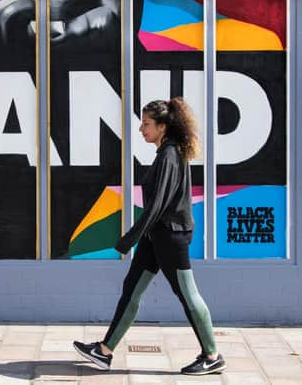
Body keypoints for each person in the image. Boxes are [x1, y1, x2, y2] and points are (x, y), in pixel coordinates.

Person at [73, 97, 226, 375]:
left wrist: (131, 236)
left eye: (146, 124)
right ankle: (104, 351)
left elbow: (158, 205)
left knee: (188, 294)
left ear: (163, 127)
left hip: (170, 235)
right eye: (142, 123)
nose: (141, 129)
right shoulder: (166, 152)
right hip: (157, 235)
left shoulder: (169, 155)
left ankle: (212, 354)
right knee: (132, 288)